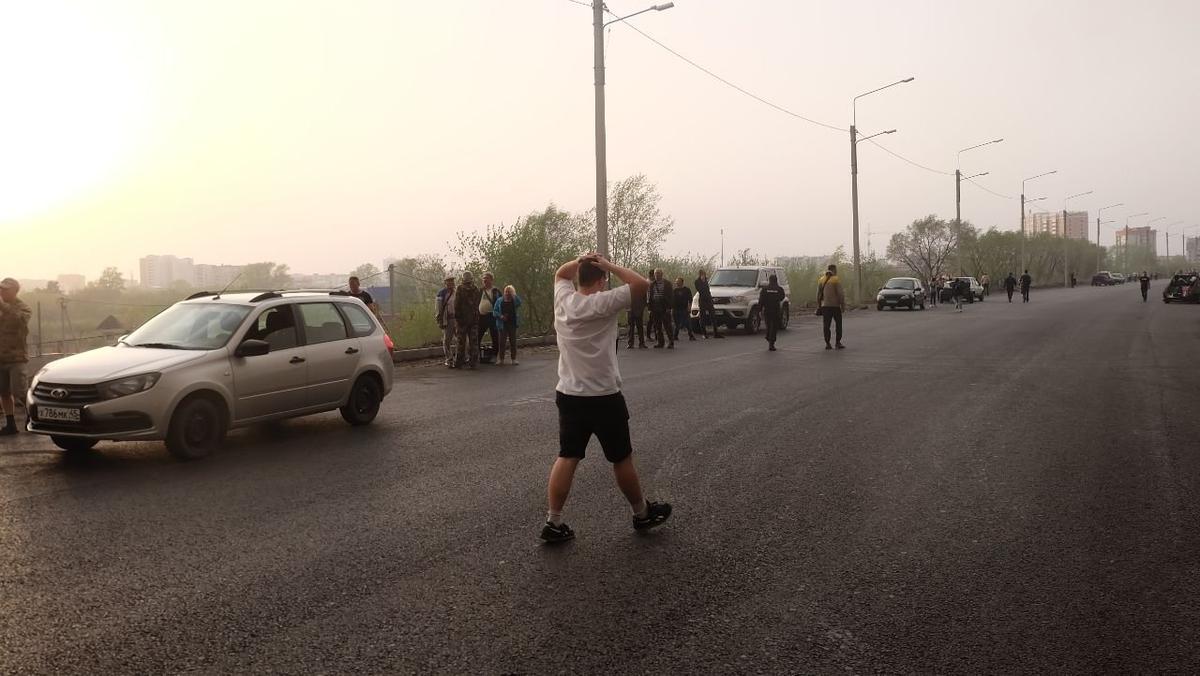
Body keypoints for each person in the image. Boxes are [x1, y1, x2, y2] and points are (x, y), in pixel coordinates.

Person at [541, 254, 671, 543]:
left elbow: (560, 274)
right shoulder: (603, 301)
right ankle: (641, 513)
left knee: (568, 455)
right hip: (603, 396)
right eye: (603, 278)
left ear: (579, 279)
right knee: (621, 457)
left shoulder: (564, 299)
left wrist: (580, 260)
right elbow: (641, 284)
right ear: (600, 281)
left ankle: (553, 521)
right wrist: (608, 264)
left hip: (570, 393)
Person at [0, 278, 31, 436]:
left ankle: (33, 418)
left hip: (17, 358)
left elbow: (18, 320)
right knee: (3, 392)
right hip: (1, 358)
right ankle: (10, 423)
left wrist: (3, 306)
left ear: (15, 291)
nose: (2, 292)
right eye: (1, 289)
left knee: (20, 392)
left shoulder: (23, 307)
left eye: (6, 289)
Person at [453, 271, 483, 369]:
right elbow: (477, 303)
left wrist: (457, 318)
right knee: (473, 342)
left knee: (461, 342)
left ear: (463, 279)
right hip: (474, 319)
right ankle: (473, 362)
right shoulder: (476, 289)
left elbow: (456, 305)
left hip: (462, 320)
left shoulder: (460, 289)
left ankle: (459, 363)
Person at [817, 265, 846, 350]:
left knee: (826, 325)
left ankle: (827, 343)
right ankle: (838, 343)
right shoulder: (836, 279)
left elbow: (818, 294)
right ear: (833, 270)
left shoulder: (821, 279)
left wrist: (819, 305)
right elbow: (840, 294)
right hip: (835, 306)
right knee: (838, 324)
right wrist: (843, 305)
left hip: (825, 306)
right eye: (836, 269)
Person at [493, 285, 522, 364]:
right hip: (502, 324)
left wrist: (514, 295)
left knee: (513, 342)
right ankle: (501, 359)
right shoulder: (499, 300)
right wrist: (500, 316)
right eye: (506, 291)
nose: (507, 293)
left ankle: (514, 359)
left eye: (509, 292)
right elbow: (494, 311)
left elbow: (520, 302)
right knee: (502, 342)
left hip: (512, 323)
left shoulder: (514, 300)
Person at [477, 272, 502, 363]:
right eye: (483, 278)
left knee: (494, 336)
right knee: (477, 336)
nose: (485, 280)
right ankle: (477, 356)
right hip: (482, 317)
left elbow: (500, 302)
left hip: (492, 316)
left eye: (487, 278)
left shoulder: (496, 291)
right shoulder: (480, 291)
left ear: (491, 280)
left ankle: (495, 356)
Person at [647, 269, 675, 349]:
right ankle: (660, 342)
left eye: (658, 273)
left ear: (662, 274)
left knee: (667, 325)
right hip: (655, 307)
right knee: (657, 326)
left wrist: (669, 307)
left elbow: (671, 296)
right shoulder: (652, 284)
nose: (657, 275)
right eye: (656, 274)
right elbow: (649, 296)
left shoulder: (667, 284)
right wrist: (649, 308)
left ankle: (671, 342)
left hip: (664, 306)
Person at [759, 273, 786, 351]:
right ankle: (771, 343)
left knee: (768, 325)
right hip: (776, 310)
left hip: (767, 310)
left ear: (769, 280)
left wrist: (759, 310)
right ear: (776, 280)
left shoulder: (764, 289)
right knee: (774, 327)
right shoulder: (779, 289)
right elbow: (782, 297)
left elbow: (761, 300)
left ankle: (768, 336)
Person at [435, 276, 457, 367]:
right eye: (449, 281)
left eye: (452, 281)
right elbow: (438, 308)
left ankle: (460, 357)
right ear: (445, 283)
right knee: (447, 340)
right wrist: (439, 319)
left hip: (457, 319)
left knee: (461, 339)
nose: (451, 283)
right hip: (447, 319)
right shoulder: (441, 293)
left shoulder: (457, 292)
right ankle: (449, 358)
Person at [695, 269, 723, 339]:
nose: (704, 276)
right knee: (702, 317)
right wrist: (703, 281)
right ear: (700, 275)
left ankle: (716, 333)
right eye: (702, 274)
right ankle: (704, 334)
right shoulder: (697, 282)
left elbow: (708, 290)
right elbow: (700, 290)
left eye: (704, 274)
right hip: (702, 300)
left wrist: (711, 299)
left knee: (713, 316)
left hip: (709, 300)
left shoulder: (706, 281)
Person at [625, 279, 647, 349]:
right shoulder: (627, 290)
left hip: (638, 310)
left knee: (640, 327)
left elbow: (644, 301)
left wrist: (641, 309)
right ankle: (630, 343)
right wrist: (627, 308)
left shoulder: (642, 290)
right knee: (631, 328)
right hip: (630, 311)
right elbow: (625, 300)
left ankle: (642, 343)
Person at [672, 276, 695, 342]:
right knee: (677, 324)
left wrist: (689, 307)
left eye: (678, 282)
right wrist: (672, 309)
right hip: (676, 309)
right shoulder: (674, 291)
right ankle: (675, 336)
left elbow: (690, 299)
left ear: (682, 282)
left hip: (684, 309)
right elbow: (672, 301)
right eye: (676, 282)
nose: (677, 283)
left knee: (688, 323)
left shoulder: (686, 290)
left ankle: (691, 336)